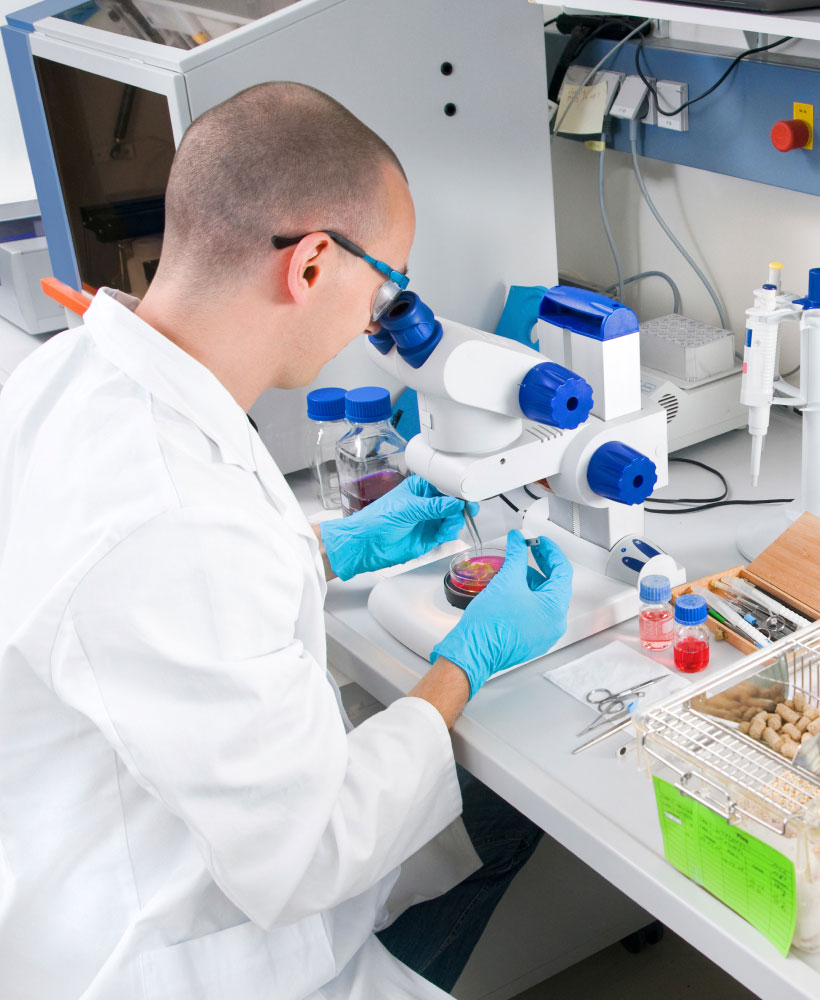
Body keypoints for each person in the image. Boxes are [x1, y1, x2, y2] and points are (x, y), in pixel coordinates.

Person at [0, 82, 572, 999]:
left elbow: (147, 600)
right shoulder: (175, 519)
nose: (375, 320)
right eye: (385, 288)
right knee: (511, 797)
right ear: (310, 266)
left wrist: (325, 549)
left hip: (78, 861)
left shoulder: (70, 371)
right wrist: (465, 663)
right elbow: (308, 854)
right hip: (176, 957)